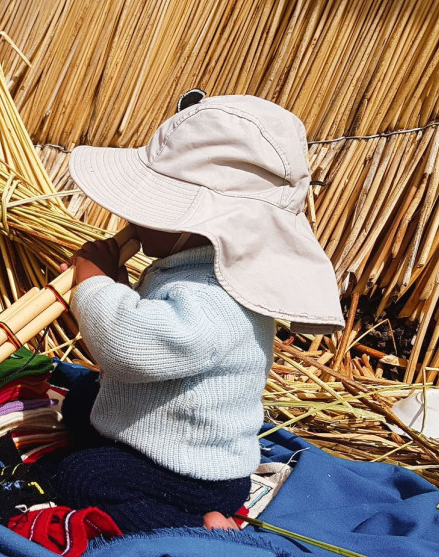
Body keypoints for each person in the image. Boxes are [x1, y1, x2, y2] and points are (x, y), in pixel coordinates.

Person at [55, 94, 343, 531]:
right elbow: (156, 331)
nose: (129, 217)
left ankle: (196, 524)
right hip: (156, 437)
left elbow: (130, 345)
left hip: (193, 472)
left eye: (149, 207)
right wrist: (110, 284)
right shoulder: (189, 268)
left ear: (204, 225)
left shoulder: (219, 295)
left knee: (79, 479)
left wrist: (93, 283)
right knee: (80, 402)